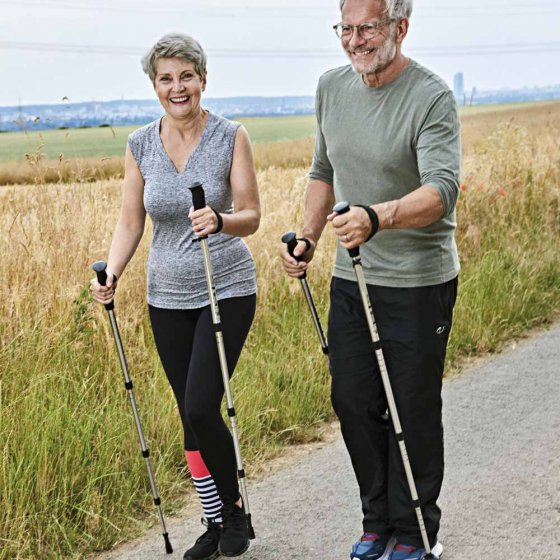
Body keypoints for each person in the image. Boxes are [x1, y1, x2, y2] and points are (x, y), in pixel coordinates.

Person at [281, 1, 460, 559]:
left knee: (411, 404)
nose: (355, 41)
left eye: (368, 28)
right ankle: (376, 521)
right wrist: (307, 237)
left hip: (416, 280)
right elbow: (323, 172)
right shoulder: (331, 87)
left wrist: (377, 217)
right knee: (354, 399)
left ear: (399, 28)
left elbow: (441, 190)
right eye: (347, 28)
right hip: (349, 278)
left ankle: (414, 532)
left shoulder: (431, 96)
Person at [91, 33, 260, 560]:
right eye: (166, 78)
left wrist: (221, 219)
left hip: (225, 287)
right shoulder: (140, 144)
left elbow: (252, 216)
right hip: (166, 296)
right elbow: (130, 220)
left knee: (200, 405)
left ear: (203, 80)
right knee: (189, 417)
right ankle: (213, 522)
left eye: (186, 76)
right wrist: (112, 272)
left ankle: (233, 512)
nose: (177, 87)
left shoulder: (231, 136)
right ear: (154, 86)